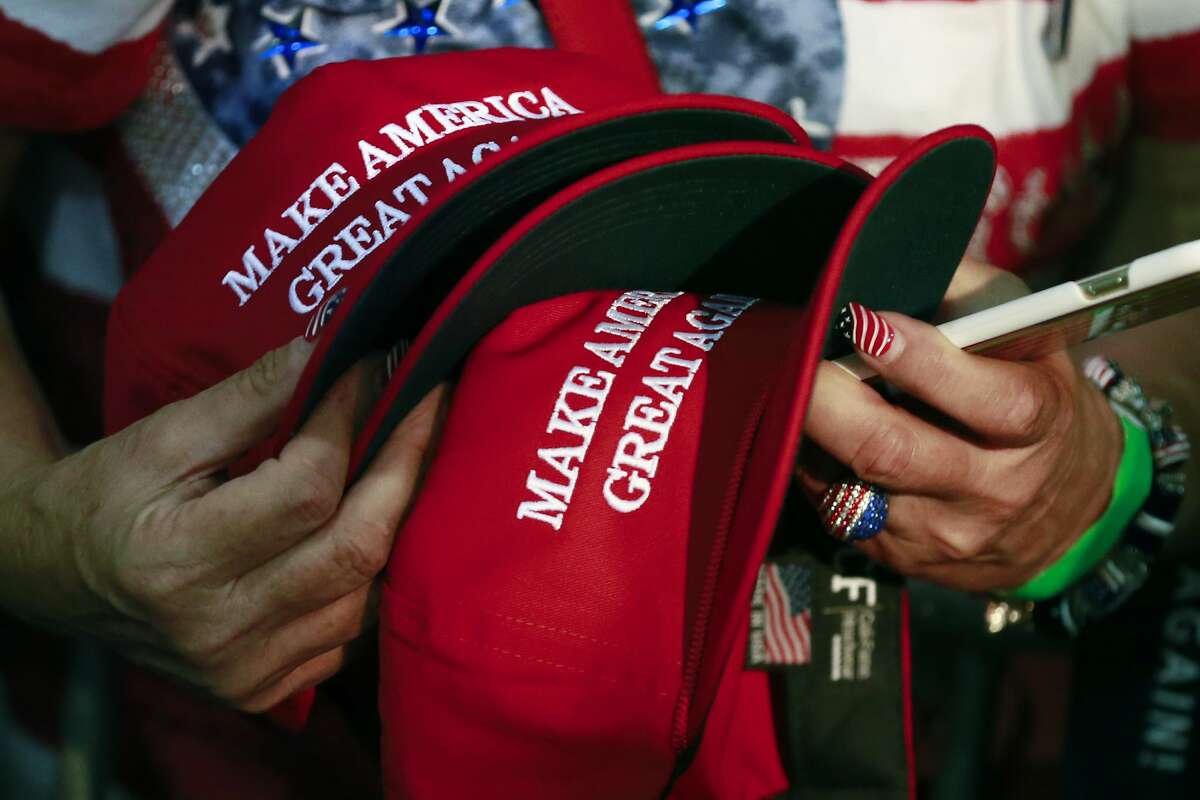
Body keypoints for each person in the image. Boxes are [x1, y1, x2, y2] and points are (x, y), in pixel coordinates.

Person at [0, 0, 1197, 795]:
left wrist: (1109, 462)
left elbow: (1181, 203)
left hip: (976, 721)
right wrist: (39, 532)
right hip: (228, 745)